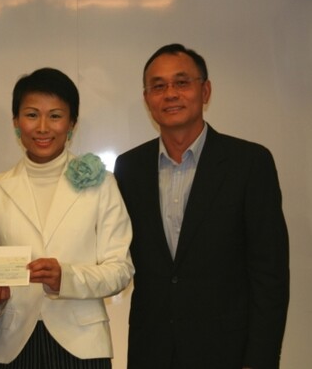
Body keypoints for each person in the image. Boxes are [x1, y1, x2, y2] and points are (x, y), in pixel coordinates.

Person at [114, 43, 289, 369]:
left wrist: (261, 359)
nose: (170, 94)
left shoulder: (249, 163)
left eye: (182, 83)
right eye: (158, 86)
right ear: (147, 99)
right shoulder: (129, 168)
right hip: (151, 351)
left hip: (228, 352)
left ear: (205, 91)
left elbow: (270, 275)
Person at [0, 67, 134, 368]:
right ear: (16, 123)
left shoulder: (102, 183)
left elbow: (120, 269)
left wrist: (67, 278)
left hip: (82, 344)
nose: (43, 127)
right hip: (13, 344)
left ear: (72, 124)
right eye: (32, 114)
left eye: (56, 116)